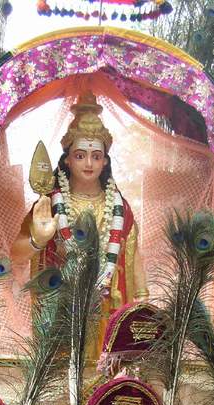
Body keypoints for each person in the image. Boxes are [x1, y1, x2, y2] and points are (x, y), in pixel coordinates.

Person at [11, 91, 148, 325]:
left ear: (105, 161)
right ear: (67, 159)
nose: (88, 164)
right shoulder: (49, 205)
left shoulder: (120, 209)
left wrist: (143, 306)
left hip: (107, 310)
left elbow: (134, 259)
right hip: (59, 312)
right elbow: (16, 255)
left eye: (96, 156)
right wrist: (39, 240)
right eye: (80, 155)